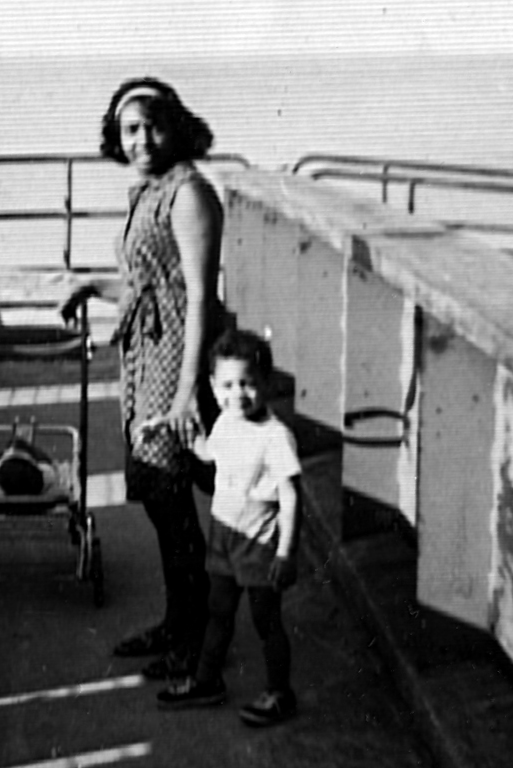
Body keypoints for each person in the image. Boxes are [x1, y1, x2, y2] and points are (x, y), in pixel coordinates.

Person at [60, 77, 223, 680]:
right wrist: (95, 289)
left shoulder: (188, 194)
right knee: (164, 500)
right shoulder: (148, 191)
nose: (142, 140)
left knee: (174, 497)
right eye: (130, 129)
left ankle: (199, 638)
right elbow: (147, 282)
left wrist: (185, 393)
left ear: (176, 127)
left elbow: (200, 295)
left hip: (177, 356)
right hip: (146, 355)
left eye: (153, 126)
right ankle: (180, 623)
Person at [155, 329, 302, 728]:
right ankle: (207, 681)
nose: (238, 394)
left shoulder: (276, 437)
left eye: (248, 384)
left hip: (259, 543)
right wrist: (183, 437)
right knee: (217, 610)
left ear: (267, 383)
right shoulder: (225, 422)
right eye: (228, 385)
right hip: (225, 538)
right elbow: (211, 454)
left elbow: (291, 498)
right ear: (214, 387)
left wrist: (286, 553)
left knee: (265, 619)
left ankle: (280, 693)